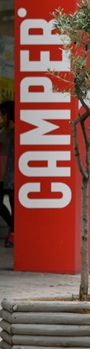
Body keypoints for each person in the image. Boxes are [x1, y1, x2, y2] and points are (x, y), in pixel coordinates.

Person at [0, 101, 14, 247]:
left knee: (12, 201)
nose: (2, 116)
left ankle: (14, 230)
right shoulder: (5, 128)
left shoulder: (13, 129)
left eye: (4, 113)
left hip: (8, 170)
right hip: (3, 169)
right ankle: (13, 226)